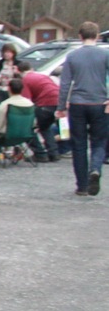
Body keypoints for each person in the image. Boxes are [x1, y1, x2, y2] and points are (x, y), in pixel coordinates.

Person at [54, 21, 109, 196]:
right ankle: (95, 169)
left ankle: (82, 186)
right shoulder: (105, 55)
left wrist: (61, 106)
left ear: (80, 36)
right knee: (99, 142)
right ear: (97, 36)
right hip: (99, 103)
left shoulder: (72, 56)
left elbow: (64, 84)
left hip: (77, 104)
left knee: (78, 145)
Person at [16, 60, 60, 162]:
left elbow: (26, 100)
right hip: (58, 101)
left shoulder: (25, 79)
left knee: (28, 128)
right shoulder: (41, 76)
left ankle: (40, 153)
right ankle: (53, 153)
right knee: (45, 127)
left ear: (19, 72)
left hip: (45, 103)